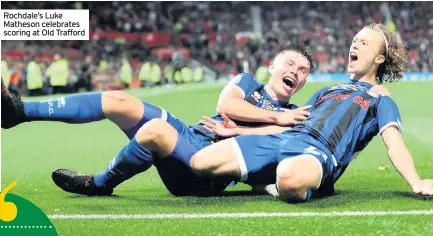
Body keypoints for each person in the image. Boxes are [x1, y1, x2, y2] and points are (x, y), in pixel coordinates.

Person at [1, 44, 314, 196]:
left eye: (302, 71)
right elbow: (227, 104)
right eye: (290, 63)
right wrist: (277, 118)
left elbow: (270, 159)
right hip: (194, 135)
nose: (295, 72)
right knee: (119, 100)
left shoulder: (295, 116)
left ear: (303, 82)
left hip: (205, 169)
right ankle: (20, 111)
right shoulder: (249, 84)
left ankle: (99, 184)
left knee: (155, 131)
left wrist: (243, 131)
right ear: (272, 66)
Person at [169, 23, 433, 203]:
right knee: (200, 163)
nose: (354, 45)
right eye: (354, 40)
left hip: (319, 150)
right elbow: (292, 125)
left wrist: (416, 181)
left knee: (290, 179)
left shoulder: (380, 99)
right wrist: (239, 131)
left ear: (379, 58)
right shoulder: (328, 90)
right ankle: (266, 184)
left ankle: (288, 183)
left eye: (364, 43)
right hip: (286, 140)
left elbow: (394, 144)